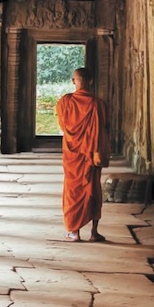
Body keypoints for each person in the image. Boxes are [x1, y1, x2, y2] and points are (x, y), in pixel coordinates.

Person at [56, 67, 109, 242]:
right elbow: (104, 130)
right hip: (90, 155)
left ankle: (74, 232)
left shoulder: (65, 102)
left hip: (72, 156)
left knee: (72, 191)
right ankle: (94, 232)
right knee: (93, 190)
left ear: (73, 81)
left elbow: (63, 126)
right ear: (91, 81)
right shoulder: (98, 104)